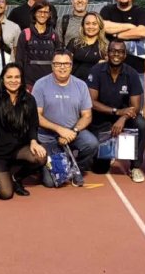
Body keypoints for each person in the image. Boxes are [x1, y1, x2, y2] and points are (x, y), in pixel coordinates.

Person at [0, 63, 48, 199]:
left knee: (41, 157)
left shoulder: (29, 99)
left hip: (18, 149)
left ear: (22, 79)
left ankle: (16, 178)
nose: (13, 80)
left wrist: (33, 141)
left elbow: (33, 124)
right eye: (9, 77)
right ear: (3, 79)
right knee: (5, 194)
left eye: (17, 77)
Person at [32, 49, 99, 187]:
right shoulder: (40, 84)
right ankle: (49, 165)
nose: (62, 67)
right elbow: (36, 116)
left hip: (72, 133)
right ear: (52, 65)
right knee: (51, 183)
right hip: (48, 136)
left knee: (92, 143)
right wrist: (60, 130)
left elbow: (87, 116)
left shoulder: (81, 85)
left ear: (71, 65)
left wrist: (73, 131)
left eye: (66, 64)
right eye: (58, 64)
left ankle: (76, 168)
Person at [87, 40, 145, 183]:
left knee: (141, 123)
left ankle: (135, 167)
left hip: (125, 119)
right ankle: (103, 155)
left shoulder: (131, 73)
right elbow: (91, 102)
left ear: (125, 55)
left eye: (120, 52)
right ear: (107, 53)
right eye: (113, 51)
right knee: (100, 169)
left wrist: (123, 118)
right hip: (101, 119)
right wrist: (116, 112)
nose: (116, 55)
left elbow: (136, 107)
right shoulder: (96, 71)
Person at [100, 0, 145, 93]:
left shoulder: (141, 12)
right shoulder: (107, 10)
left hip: (136, 69)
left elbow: (142, 32)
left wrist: (116, 35)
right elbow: (105, 27)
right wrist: (130, 26)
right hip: (110, 70)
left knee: (136, 107)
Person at [14, 0, 61, 90]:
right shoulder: (25, 34)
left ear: (49, 14)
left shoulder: (54, 35)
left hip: (50, 83)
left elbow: (58, 60)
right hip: (29, 83)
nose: (42, 15)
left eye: (45, 12)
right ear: (34, 13)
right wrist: (21, 83)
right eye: (39, 11)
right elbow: (19, 60)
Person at [66, 12, 107, 80]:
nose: (91, 27)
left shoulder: (105, 46)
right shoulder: (74, 43)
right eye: (87, 23)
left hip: (95, 86)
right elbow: (65, 64)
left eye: (94, 24)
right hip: (74, 83)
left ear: (100, 26)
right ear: (83, 26)